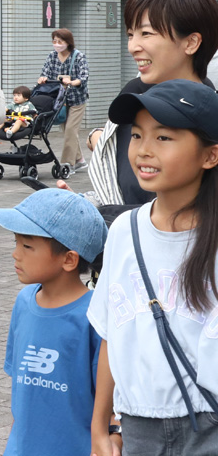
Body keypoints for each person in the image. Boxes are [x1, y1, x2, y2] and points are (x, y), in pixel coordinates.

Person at [88, 80, 218, 454]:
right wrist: (101, 424)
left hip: (209, 424)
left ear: (210, 155)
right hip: (138, 427)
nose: (144, 151)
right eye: (137, 135)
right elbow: (113, 334)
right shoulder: (124, 232)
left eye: (164, 138)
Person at [0, 189, 107, 456]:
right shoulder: (24, 302)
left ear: (69, 259)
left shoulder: (94, 316)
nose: (16, 254)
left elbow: (111, 400)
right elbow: (20, 388)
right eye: (16, 242)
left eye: (27, 246)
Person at [82, 0, 218, 214]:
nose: (133, 46)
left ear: (191, 42)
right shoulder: (133, 95)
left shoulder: (209, 115)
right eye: (131, 34)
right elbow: (118, 185)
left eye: (146, 33)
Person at [36, 28, 89, 169]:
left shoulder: (78, 56)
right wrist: (42, 78)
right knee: (67, 132)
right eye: (54, 41)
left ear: (68, 42)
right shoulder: (52, 56)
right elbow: (45, 72)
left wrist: (73, 82)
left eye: (60, 41)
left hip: (77, 99)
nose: (57, 44)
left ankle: (67, 164)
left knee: (70, 130)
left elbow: (84, 77)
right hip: (60, 100)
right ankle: (80, 160)